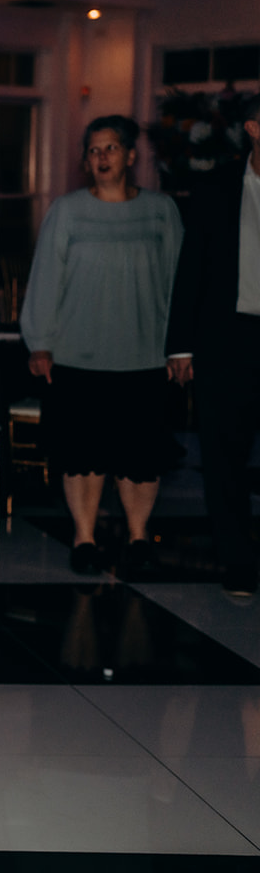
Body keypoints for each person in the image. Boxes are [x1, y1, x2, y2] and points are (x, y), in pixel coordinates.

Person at [23, 115, 183, 577]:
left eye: (111, 149)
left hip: (146, 355)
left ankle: (137, 537)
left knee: (141, 457)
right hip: (78, 356)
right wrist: (41, 343)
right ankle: (85, 538)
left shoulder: (160, 211)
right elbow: (46, 279)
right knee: (82, 454)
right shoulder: (68, 211)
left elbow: (179, 283)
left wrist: (181, 348)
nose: (102, 158)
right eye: (93, 151)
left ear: (131, 156)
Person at [166, 95, 260, 597]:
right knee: (224, 459)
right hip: (228, 341)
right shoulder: (217, 188)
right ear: (253, 128)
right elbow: (191, 271)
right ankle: (237, 563)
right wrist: (180, 346)